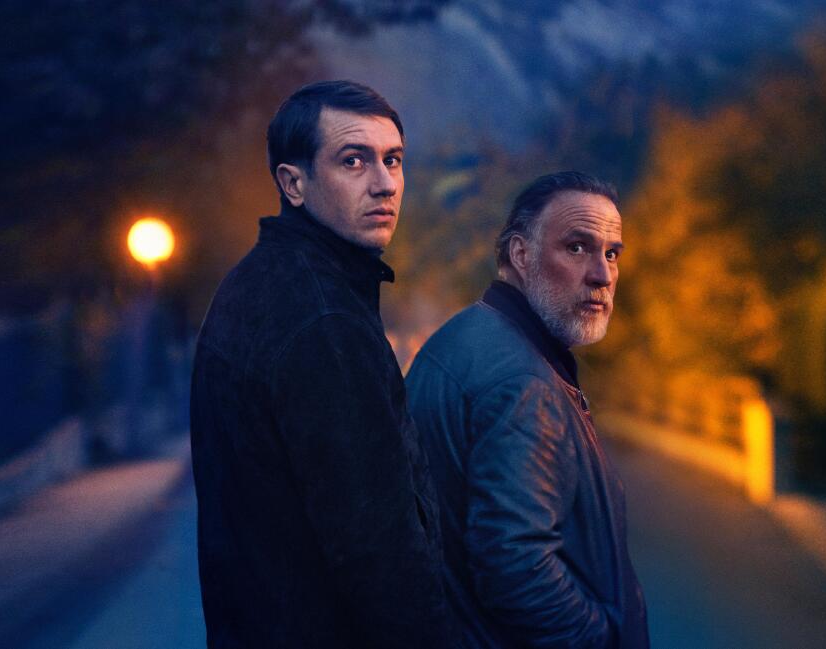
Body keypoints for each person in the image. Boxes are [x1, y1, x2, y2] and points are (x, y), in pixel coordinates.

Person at [190, 80, 450, 648]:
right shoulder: (323, 320)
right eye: (353, 161)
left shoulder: (260, 283)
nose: (384, 184)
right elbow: (380, 553)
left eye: (394, 160)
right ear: (294, 183)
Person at [405, 171, 650, 648]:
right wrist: (605, 636)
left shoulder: (463, 338)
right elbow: (515, 566)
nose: (601, 274)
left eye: (612, 253)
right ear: (520, 255)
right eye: (577, 248)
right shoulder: (522, 382)